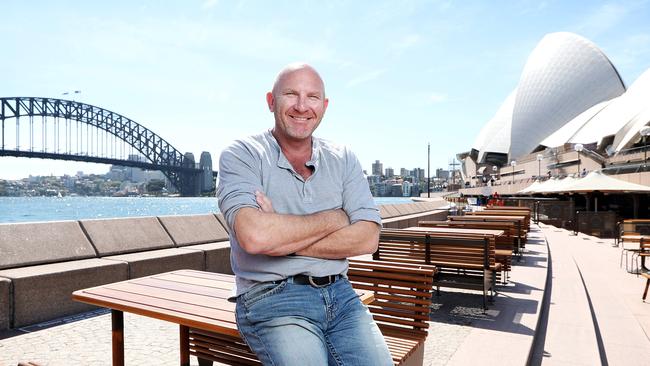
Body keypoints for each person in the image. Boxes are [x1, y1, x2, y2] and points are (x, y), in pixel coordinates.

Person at [216, 63, 392, 365]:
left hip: (341, 294)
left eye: (312, 97)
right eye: (290, 94)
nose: (301, 106)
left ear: (324, 106)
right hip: (271, 297)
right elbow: (255, 237)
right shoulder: (242, 154)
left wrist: (281, 237)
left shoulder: (344, 157)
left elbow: (368, 239)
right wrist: (337, 218)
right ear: (271, 101)